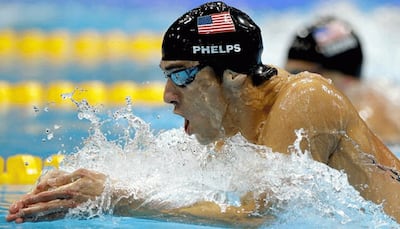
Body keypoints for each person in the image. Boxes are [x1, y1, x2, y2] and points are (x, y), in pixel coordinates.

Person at [6, 1, 400, 226]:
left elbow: (260, 217)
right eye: (166, 76)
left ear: (231, 75)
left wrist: (117, 198)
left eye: (181, 75)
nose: (167, 96)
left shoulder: (308, 95)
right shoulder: (235, 128)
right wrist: (81, 186)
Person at [285, 16, 400, 144]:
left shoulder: (367, 122)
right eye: (289, 74)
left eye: (303, 75)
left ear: (345, 78)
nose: (294, 84)